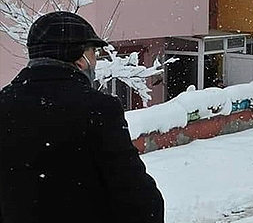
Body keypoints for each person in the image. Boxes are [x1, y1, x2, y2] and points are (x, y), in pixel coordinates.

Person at [0, 11, 164, 223]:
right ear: (80, 58)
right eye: (93, 52)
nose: (95, 60)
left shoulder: (4, 104)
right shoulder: (99, 109)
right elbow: (135, 195)